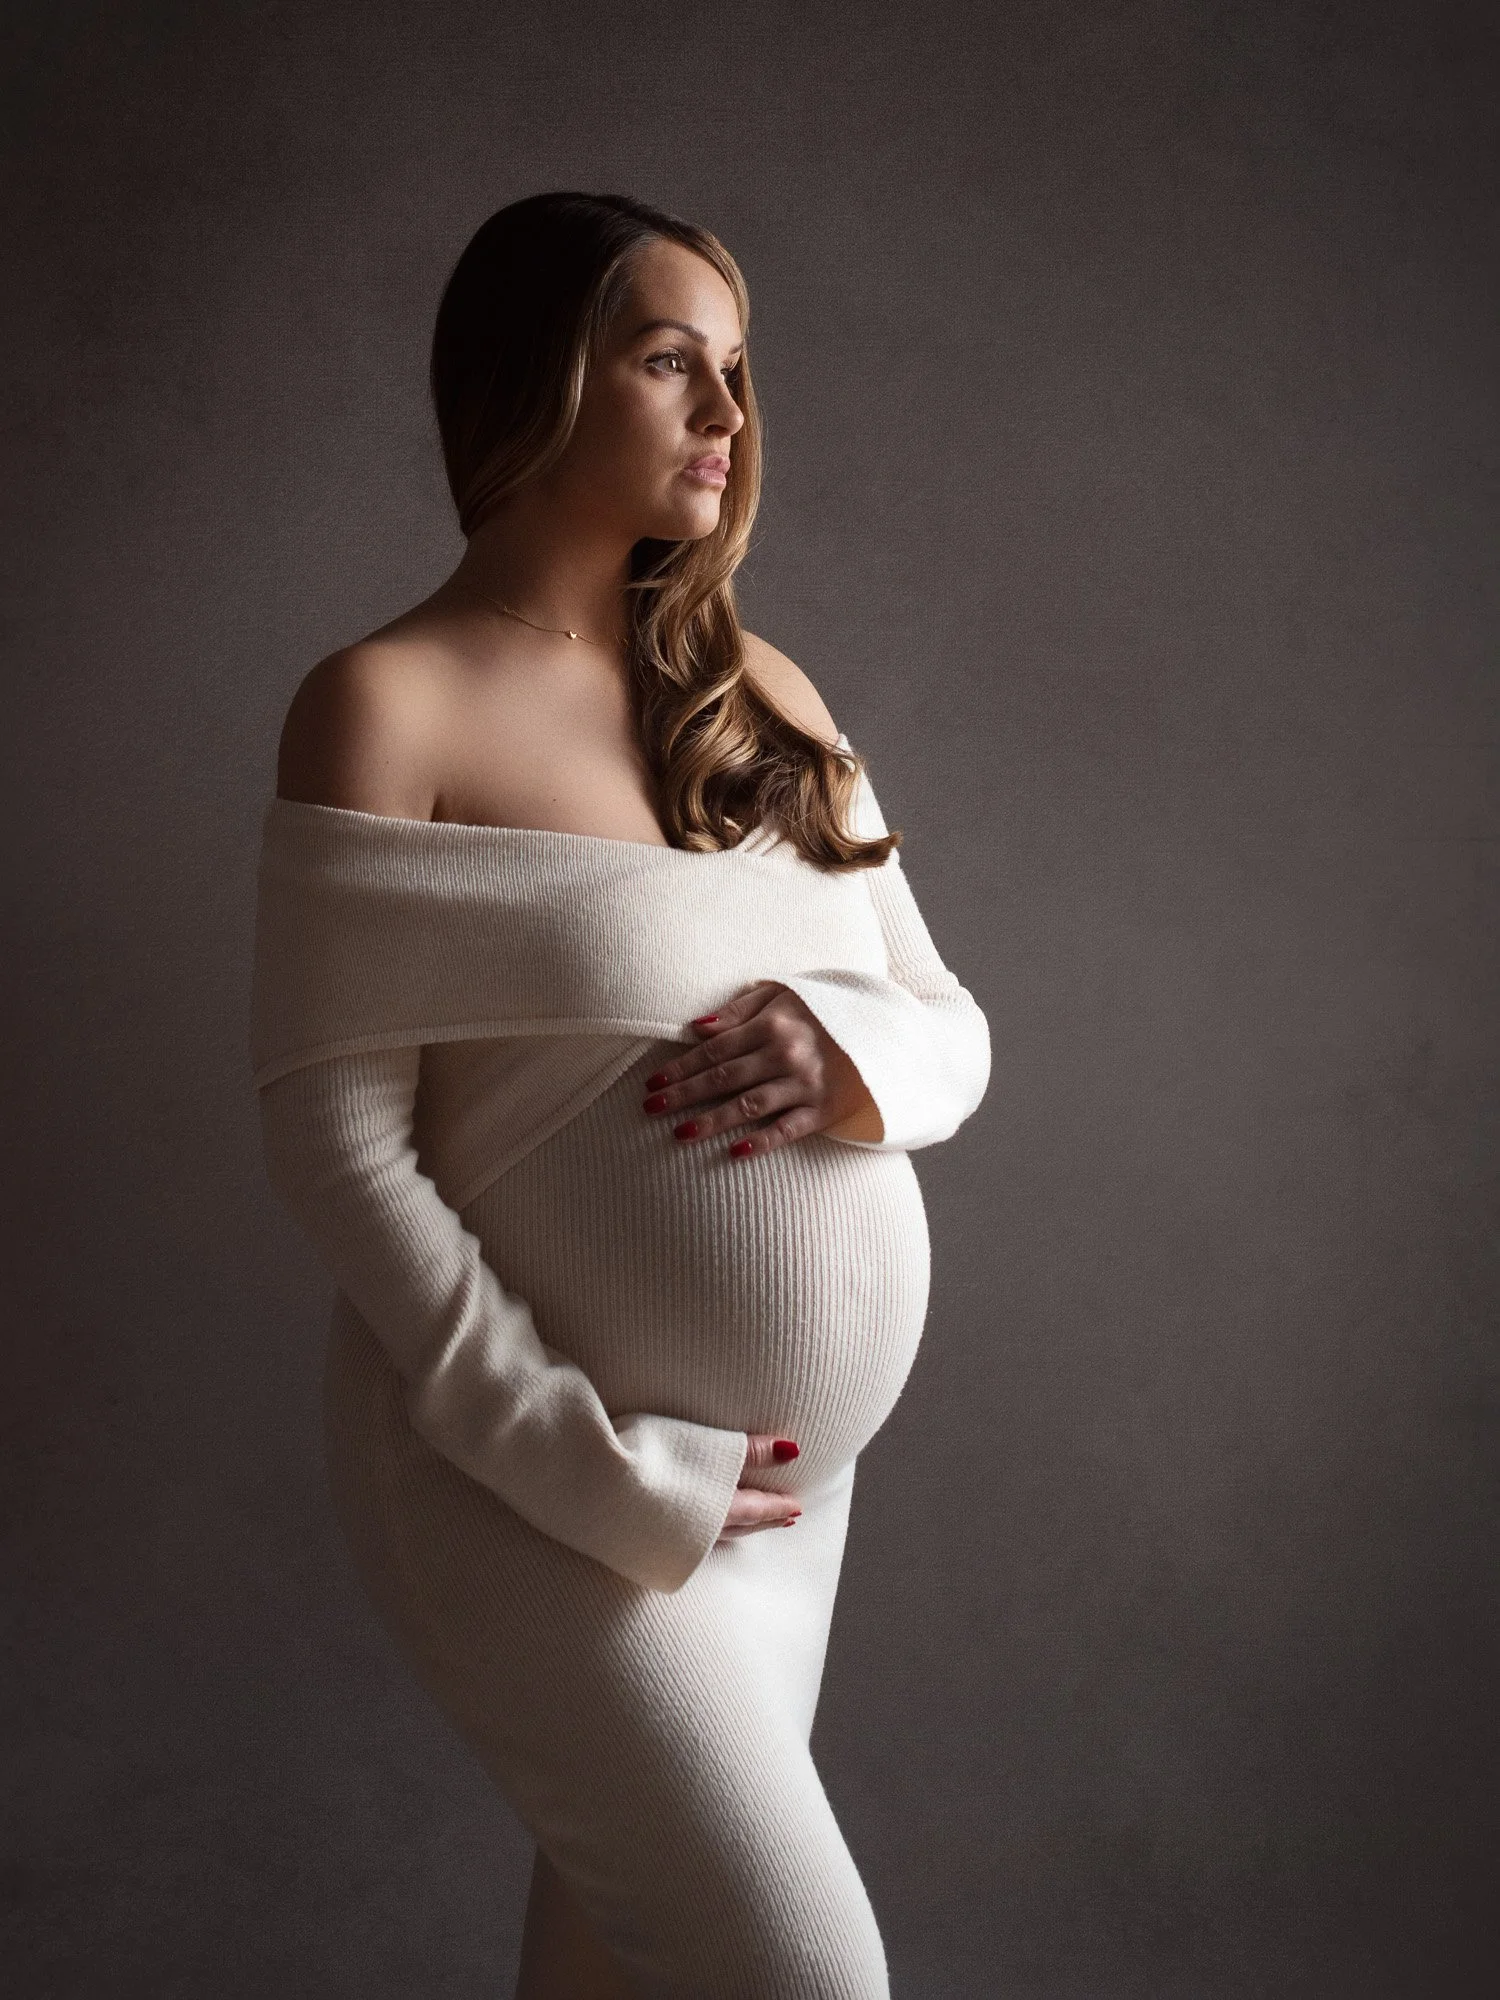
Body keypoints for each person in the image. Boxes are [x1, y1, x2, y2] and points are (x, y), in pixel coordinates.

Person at [250, 190, 991, 1999]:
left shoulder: (763, 693)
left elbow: (953, 1023)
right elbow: (337, 1150)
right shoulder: (385, 705)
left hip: (778, 1501)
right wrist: (598, 1472)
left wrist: (851, 1061)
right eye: (671, 362)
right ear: (529, 384)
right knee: (800, 1975)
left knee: (618, 1964)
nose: (728, 415)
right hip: (526, 1490)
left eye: (736, 371)